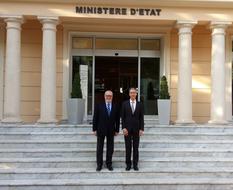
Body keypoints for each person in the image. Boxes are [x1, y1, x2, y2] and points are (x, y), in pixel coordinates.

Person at [92, 90, 120, 171]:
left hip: (111, 130)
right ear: (104, 96)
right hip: (100, 130)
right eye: (107, 95)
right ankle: (99, 164)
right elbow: (95, 118)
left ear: (112, 97)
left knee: (110, 148)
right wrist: (94, 129)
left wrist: (117, 130)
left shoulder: (115, 106)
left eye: (110, 96)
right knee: (99, 148)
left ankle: (109, 164)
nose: (108, 97)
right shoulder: (99, 105)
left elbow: (117, 119)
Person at [121, 87, 144, 171]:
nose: (133, 94)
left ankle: (135, 164)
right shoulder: (124, 104)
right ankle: (128, 164)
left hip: (137, 130)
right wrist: (123, 128)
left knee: (135, 148)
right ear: (129, 94)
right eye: (131, 93)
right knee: (128, 148)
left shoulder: (140, 104)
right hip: (127, 129)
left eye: (134, 93)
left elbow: (141, 118)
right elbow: (122, 118)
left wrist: (141, 129)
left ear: (136, 94)